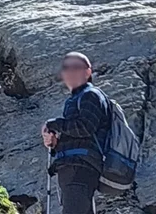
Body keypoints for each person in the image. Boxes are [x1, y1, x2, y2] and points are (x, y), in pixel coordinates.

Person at [42, 52, 110, 214]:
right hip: (78, 166)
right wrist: (56, 143)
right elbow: (81, 134)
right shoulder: (79, 98)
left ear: (88, 72)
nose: (69, 72)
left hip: (79, 167)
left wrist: (54, 124)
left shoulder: (91, 95)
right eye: (66, 68)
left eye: (75, 67)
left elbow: (85, 127)